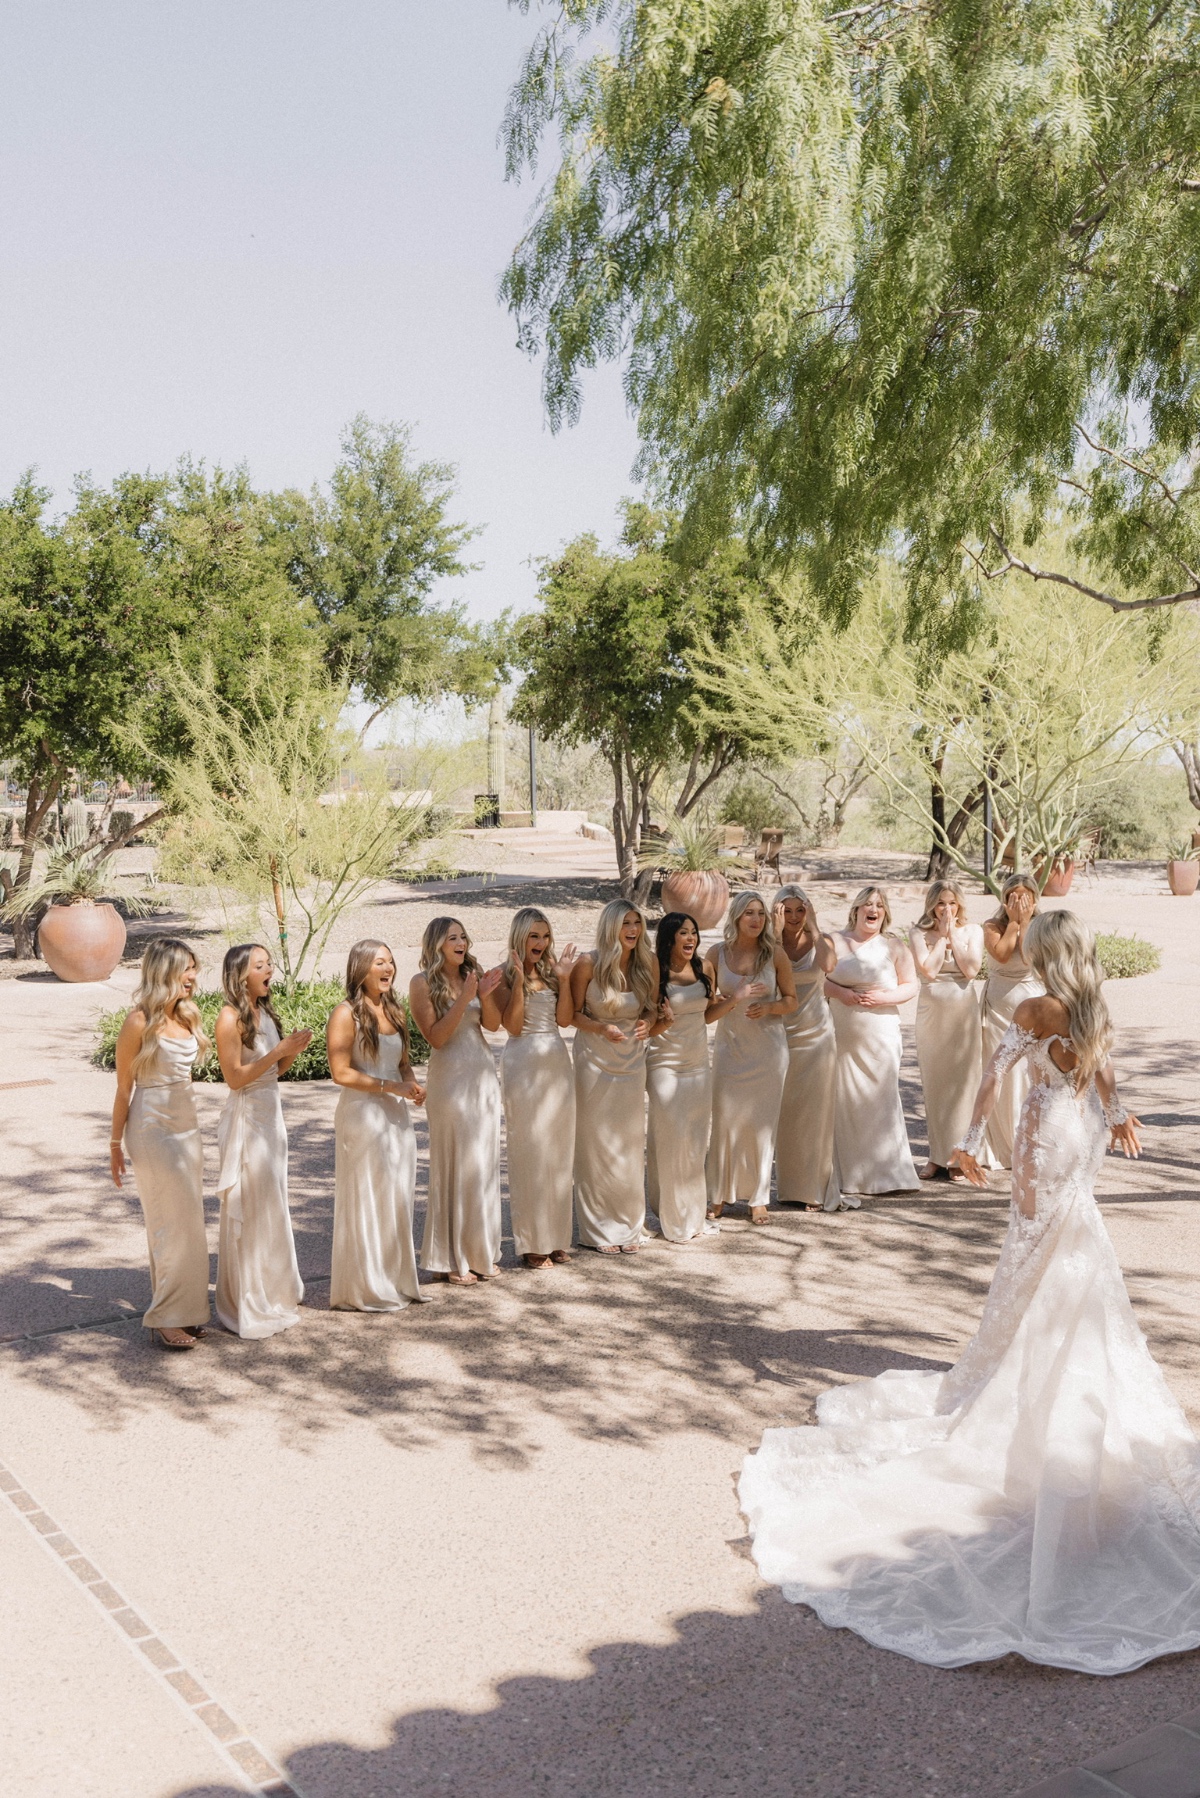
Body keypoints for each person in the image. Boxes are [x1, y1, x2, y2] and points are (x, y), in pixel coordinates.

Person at [737, 911, 1200, 1676]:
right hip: (1081, 1132)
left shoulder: (1034, 1008)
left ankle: (1026, 1365)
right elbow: (1100, 1075)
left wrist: (974, 1146)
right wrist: (1116, 1115)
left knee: (1033, 1253)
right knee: (1073, 1251)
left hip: (1052, 1132)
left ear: (1048, 955)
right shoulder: (1089, 1007)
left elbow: (1002, 1080)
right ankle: (1048, 1359)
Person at [109, 938, 211, 1351]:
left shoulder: (187, 1015)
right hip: (152, 1129)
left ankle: (185, 1310)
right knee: (169, 1223)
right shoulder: (139, 1021)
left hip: (188, 1128)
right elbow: (122, 1089)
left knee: (191, 1224)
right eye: (186, 968)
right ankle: (166, 1316)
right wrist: (115, 1143)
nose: (193, 976)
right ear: (165, 971)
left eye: (194, 967)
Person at [213, 944, 311, 1338]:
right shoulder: (228, 1016)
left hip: (272, 1116)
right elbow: (235, 1078)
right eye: (260, 965)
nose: (269, 969)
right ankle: (248, 1298)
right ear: (241, 975)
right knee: (250, 1206)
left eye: (269, 963)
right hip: (248, 1117)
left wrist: (291, 1051)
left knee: (271, 1203)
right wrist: (278, 1054)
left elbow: (277, 1070)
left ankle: (273, 1289)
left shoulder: (264, 1010)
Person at [328, 939, 429, 1311]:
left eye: (390, 962)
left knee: (397, 1196)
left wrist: (413, 1086)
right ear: (361, 969)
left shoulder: (394, 1009)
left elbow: (402, 1064)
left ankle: (394, 1279)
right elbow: (341, 1072)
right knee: (368, 1196)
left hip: (395, 1116)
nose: (387, 969)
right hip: (363, 1115)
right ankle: (367, 1286)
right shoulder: (345, 1014)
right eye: (378, 963)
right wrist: (391, 1087)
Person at [410, 917, 504, 1284]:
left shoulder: (473, 972)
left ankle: (481, 1252)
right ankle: (452, 1258)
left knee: (483, 1164)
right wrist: (465, 997)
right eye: (453, 937)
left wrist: (484, 993)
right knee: (456, 1164)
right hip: (450, 1080)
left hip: (482, 1076)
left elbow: (493, 1025)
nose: (461, 942)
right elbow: (435, 1037)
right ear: (437, 944)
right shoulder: (421, 983)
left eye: (463, 935)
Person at [705, 891, 797, 1225]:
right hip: (730, 1050)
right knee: (726, 1121)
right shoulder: (716, 954)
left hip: (769, 1051)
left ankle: (758, 1197)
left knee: (761, 1125)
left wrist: (770, 1007)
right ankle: (718, 1194)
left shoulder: (775, 955)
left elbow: (791, 1001)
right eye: (749, 913)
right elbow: (706, 1013)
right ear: (736, 917)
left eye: (760, 913)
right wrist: (733, 1000)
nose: (756, 919)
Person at [570, 900, 657, 1254]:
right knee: (596, 1142)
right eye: (625, 923)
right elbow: (572, 1014)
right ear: (611, 928)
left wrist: (648, 1023)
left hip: (632, 1060)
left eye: (637, 922)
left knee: (629, 1141)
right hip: (594, 1056)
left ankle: (627, 1223)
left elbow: (651, 1009)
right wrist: (602, 1028)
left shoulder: (646, 963)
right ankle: (598, 1229)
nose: (633, 929)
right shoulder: (588, 964)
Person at [494, 907, 578, 1269]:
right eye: (534, 936)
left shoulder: (553, 969)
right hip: (522, 1063)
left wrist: (565, 979)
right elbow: (510, 1027)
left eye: (545, 936)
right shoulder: (501, 974)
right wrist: (517, 983)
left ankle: (556, 1237)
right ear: (520, 937)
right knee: (529, 1151)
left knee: (558, 1151)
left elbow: (564, 1019)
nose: (541, 943)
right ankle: (532, 1242)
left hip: (556, 1060)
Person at [825, 887, 921, 1195]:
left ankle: (889, 1175)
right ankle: (851, 1175)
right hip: (842, 1032)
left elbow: (911, 985)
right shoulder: (835, 941)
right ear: (855, 910)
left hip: (881, 1031)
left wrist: (884, 997)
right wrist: (842, 993)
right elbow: (816, 979)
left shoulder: (894, 945)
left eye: (879, 905)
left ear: (885, 913)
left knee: (881, 1098)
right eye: (868, 904)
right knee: (845, 1099)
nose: (873, 909)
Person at [646, 912, 733, 1242]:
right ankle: (672, 1217)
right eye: (683, 933)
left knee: (696, 1142)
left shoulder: (704, 968)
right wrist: (663, 1023)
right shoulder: (656, 970)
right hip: (663, 1065)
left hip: (698, 1065)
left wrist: (734, 1000)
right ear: (669, 937)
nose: (691, 938)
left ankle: (692, 1215)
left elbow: (707, 1015)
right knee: (672, 1140)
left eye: (694, 933)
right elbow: (648, 1027)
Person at [772, 885, 844, 1212]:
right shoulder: (769, 943)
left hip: (817, 1034)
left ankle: (813, 1188)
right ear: (777, 912)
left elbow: (829, 966)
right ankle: (786, 1186)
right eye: (787, 911)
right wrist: (773, 935)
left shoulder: (821, 940)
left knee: (815, 1114)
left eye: (800, 910)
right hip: (778, 1033)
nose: (794, 917)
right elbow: (764, 971)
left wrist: (814, 928)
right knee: (784, 1113)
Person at [909, 881, 985, 1181]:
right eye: (941, 903)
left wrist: (953, 932)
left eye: (952, 903)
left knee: (964, 1086)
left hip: (963, 1013)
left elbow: (970, 970)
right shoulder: (919, 933)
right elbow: (927, 969)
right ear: (931, 905)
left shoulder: (972, 931)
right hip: (931, 1015)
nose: (946, 909)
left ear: (960, 905)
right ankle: (936, 1156)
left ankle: (960, 1156)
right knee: (935, 1084)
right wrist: (940, 939)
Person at [981, 872, 1044, 1168]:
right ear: (1004, 900)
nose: (1019, 902)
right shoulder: (993, 926)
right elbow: (1004, 954)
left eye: (1026, 898)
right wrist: (1014, 923)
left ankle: (1029, 1139)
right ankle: (1003, 1145)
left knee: (1028, 1072)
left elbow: (1029, 957)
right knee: (1000, 1071)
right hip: (998, 1007)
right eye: (1014, 898)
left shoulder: (1043, 926)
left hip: (1032, 1004)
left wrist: (1027, 922)